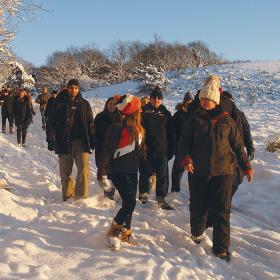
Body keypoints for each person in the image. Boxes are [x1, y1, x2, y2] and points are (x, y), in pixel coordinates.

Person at [179, 75, 253, 261]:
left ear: (215, 101)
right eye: (203, 99)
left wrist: (246, 166)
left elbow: (238, 146)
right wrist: (186, 158)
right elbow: (183, 142)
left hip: (224, 171)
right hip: (199, 171)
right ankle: (197, 232)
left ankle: (221, 248)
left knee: (222, 210)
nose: (205, 102)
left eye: (209, 100)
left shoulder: (228, 121)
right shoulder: (194, 119)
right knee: (198, 206)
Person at [97, 94, 144, 250]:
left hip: (132, 170)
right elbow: (107, 150)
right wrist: (102, 173)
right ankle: (113, 232)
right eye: (139, 109)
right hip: (117, 170)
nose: (141, 111)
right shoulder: (116, 126)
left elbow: (141, 151)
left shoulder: (139, 129)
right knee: (130, 202)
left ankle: (126, 233)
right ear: (132, 111)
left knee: (128, 204)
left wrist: (148, 170)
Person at [46, 79, 95, 201]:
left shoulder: (84, 104)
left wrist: (92, 138)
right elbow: (50, 123)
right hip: (64, 141)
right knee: (65, 172)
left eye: (76, 88)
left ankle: (81, 196)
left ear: (79, 89)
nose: (73, 90)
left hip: (81, 142)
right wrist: (50, 139)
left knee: (84, 170)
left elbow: (90, 123)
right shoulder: (58, 103)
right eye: (71, 87)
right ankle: (68, 196)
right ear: (67, 88)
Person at [139, 86, 174, 210]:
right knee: (144, 172)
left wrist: (170, 150)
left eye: (159, 98)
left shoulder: (166, 113)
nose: (156, 100)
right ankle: (143, 194)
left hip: (162, 149)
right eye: (154, 98)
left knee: (163, 175)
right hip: (146, 148)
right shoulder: (143, 111)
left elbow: (171, 133)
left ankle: (161, 198)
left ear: (162, 100)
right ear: (150, 99)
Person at [94, 96, 118, 199]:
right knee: (103, 172)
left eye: (114, 104)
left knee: (114, 172)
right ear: (106, 105)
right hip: (102, 149)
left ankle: (111, 193)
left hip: (116, 149)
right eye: (110, 104)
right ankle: (107, 191)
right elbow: (95, 133)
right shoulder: (99, 117)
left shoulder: (120, 117)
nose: (112, 106)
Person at [171, 91, 193, 192]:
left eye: (190, 101)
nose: (188, 103)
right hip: (180, 147)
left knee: (193, 171)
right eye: (187, 101)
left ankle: (194, 192)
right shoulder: (178, 115)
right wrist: (175, 147)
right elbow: (173, 132)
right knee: (177, 170)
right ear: (184, 102)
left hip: (193, 148)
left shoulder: (195, 114)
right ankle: (175, 190)